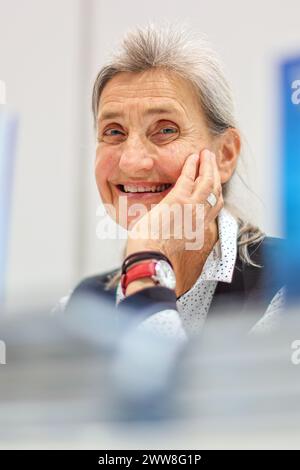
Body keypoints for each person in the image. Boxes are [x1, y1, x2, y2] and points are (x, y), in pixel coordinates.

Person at [60, 23, 285, 338]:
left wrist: (145, 262)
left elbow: (159, 380)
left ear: (225, 154)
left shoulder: (287, 285)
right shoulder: (82, 304)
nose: (132, 161)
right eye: (113, 131)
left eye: (165, 129)